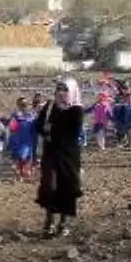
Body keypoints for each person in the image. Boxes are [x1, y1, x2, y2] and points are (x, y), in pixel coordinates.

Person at [35, 76, 85, 238]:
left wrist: (52, 131)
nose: (61, 93)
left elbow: (72, 133)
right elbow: (39, 125)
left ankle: (63, 222)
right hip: (50, 153)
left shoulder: (76, 110)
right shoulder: (50, 106)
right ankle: (49, 220)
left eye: (65, 89)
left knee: (67, 187)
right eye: (59, 89)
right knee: (50, 186)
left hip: (68, 156)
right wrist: (47, 131)